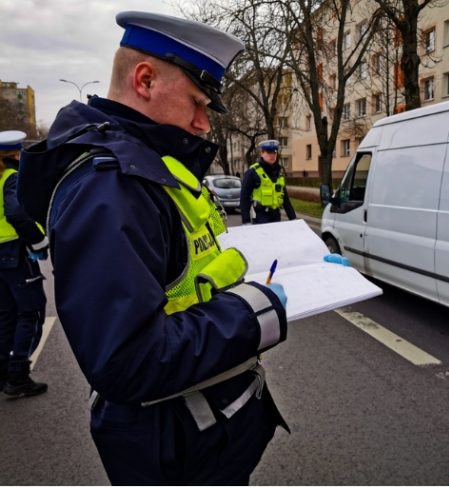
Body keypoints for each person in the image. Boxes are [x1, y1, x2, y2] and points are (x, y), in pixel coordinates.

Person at [18, 11, 289, 485]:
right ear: (145, 80)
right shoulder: (111, 186)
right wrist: (256, 313)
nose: (204, 124)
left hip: (199, 432)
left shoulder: (149, 166)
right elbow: (128, 360)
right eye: (198, 102)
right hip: (177, 447)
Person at [0, 130, 48, 398]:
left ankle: (3, 371)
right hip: (14, 253)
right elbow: (16, 212)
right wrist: (38, 240)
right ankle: (18, 376)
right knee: (31, 313)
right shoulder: (11, 177)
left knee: (6, 314)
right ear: (15, 154)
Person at [240, 140, 297, 224]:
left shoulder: (279, 173)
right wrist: (246, 221)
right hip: (260, 217)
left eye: (274, 153)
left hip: (276, 216)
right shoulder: (253, 172)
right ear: (262, 153)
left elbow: (285, 199)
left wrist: (293, 218)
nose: (272, 155)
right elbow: (244, 198)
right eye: (269, 152)